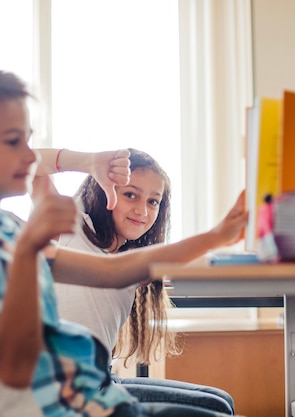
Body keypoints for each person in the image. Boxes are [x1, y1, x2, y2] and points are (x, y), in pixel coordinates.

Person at [0, 69, 248, 417]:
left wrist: (217, 236)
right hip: (60, 404)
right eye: (14, 142)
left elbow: (113, 271)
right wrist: (34, 241)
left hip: (83, 391)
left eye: (28, 142)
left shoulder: (0, 229)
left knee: (219, 406)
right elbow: (9, 368)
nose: (31, 157)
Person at [35, 148, 234, 414]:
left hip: (102, 379)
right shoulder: (71, 227)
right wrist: (88, 163)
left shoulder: (134, 260)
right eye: (131, 195)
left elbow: (199, 261)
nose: (142, 210)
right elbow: (31, 165)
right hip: (66, 390)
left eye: (153, 201)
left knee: (220, 401)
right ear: (104, 189)